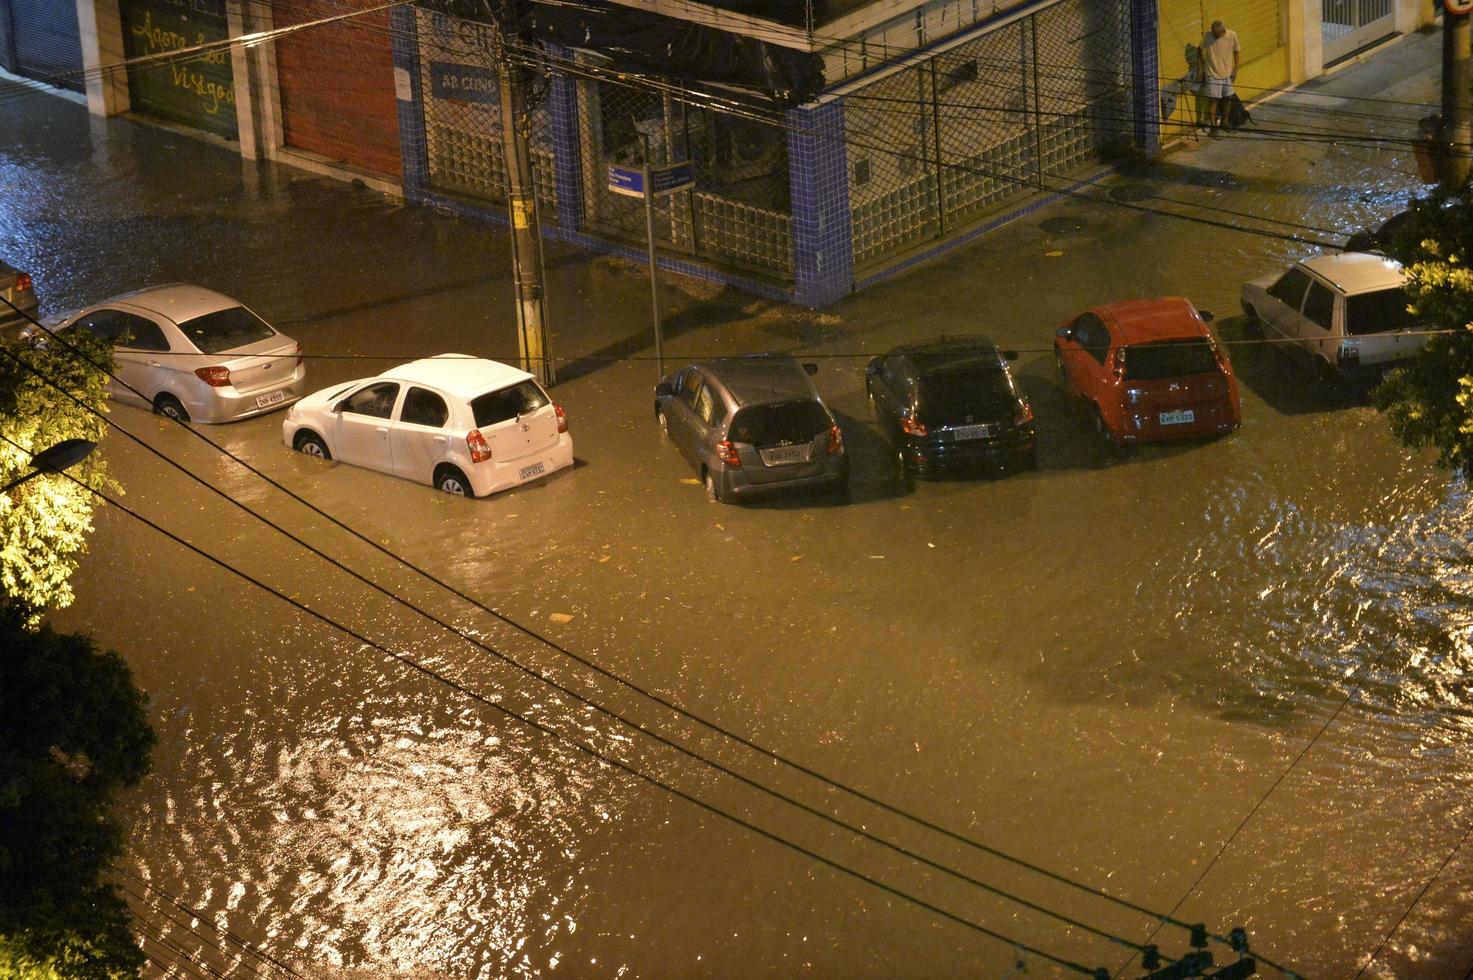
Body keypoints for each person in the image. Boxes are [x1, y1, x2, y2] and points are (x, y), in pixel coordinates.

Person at [1197, 20, 1240, 134]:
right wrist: (1200, 70)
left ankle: (1224, 122)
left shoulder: (1232, 35)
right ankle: (1213, 127)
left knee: (1228, 99)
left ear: (1223, 32)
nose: (1214, 36)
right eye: (1213, 33)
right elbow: (1199, 50)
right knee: (1213, 100)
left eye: (1216, 34)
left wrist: (1235, 70)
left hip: (1227, 73)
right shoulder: (1207, 35)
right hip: (1212, 74)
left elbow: (1237, 52)